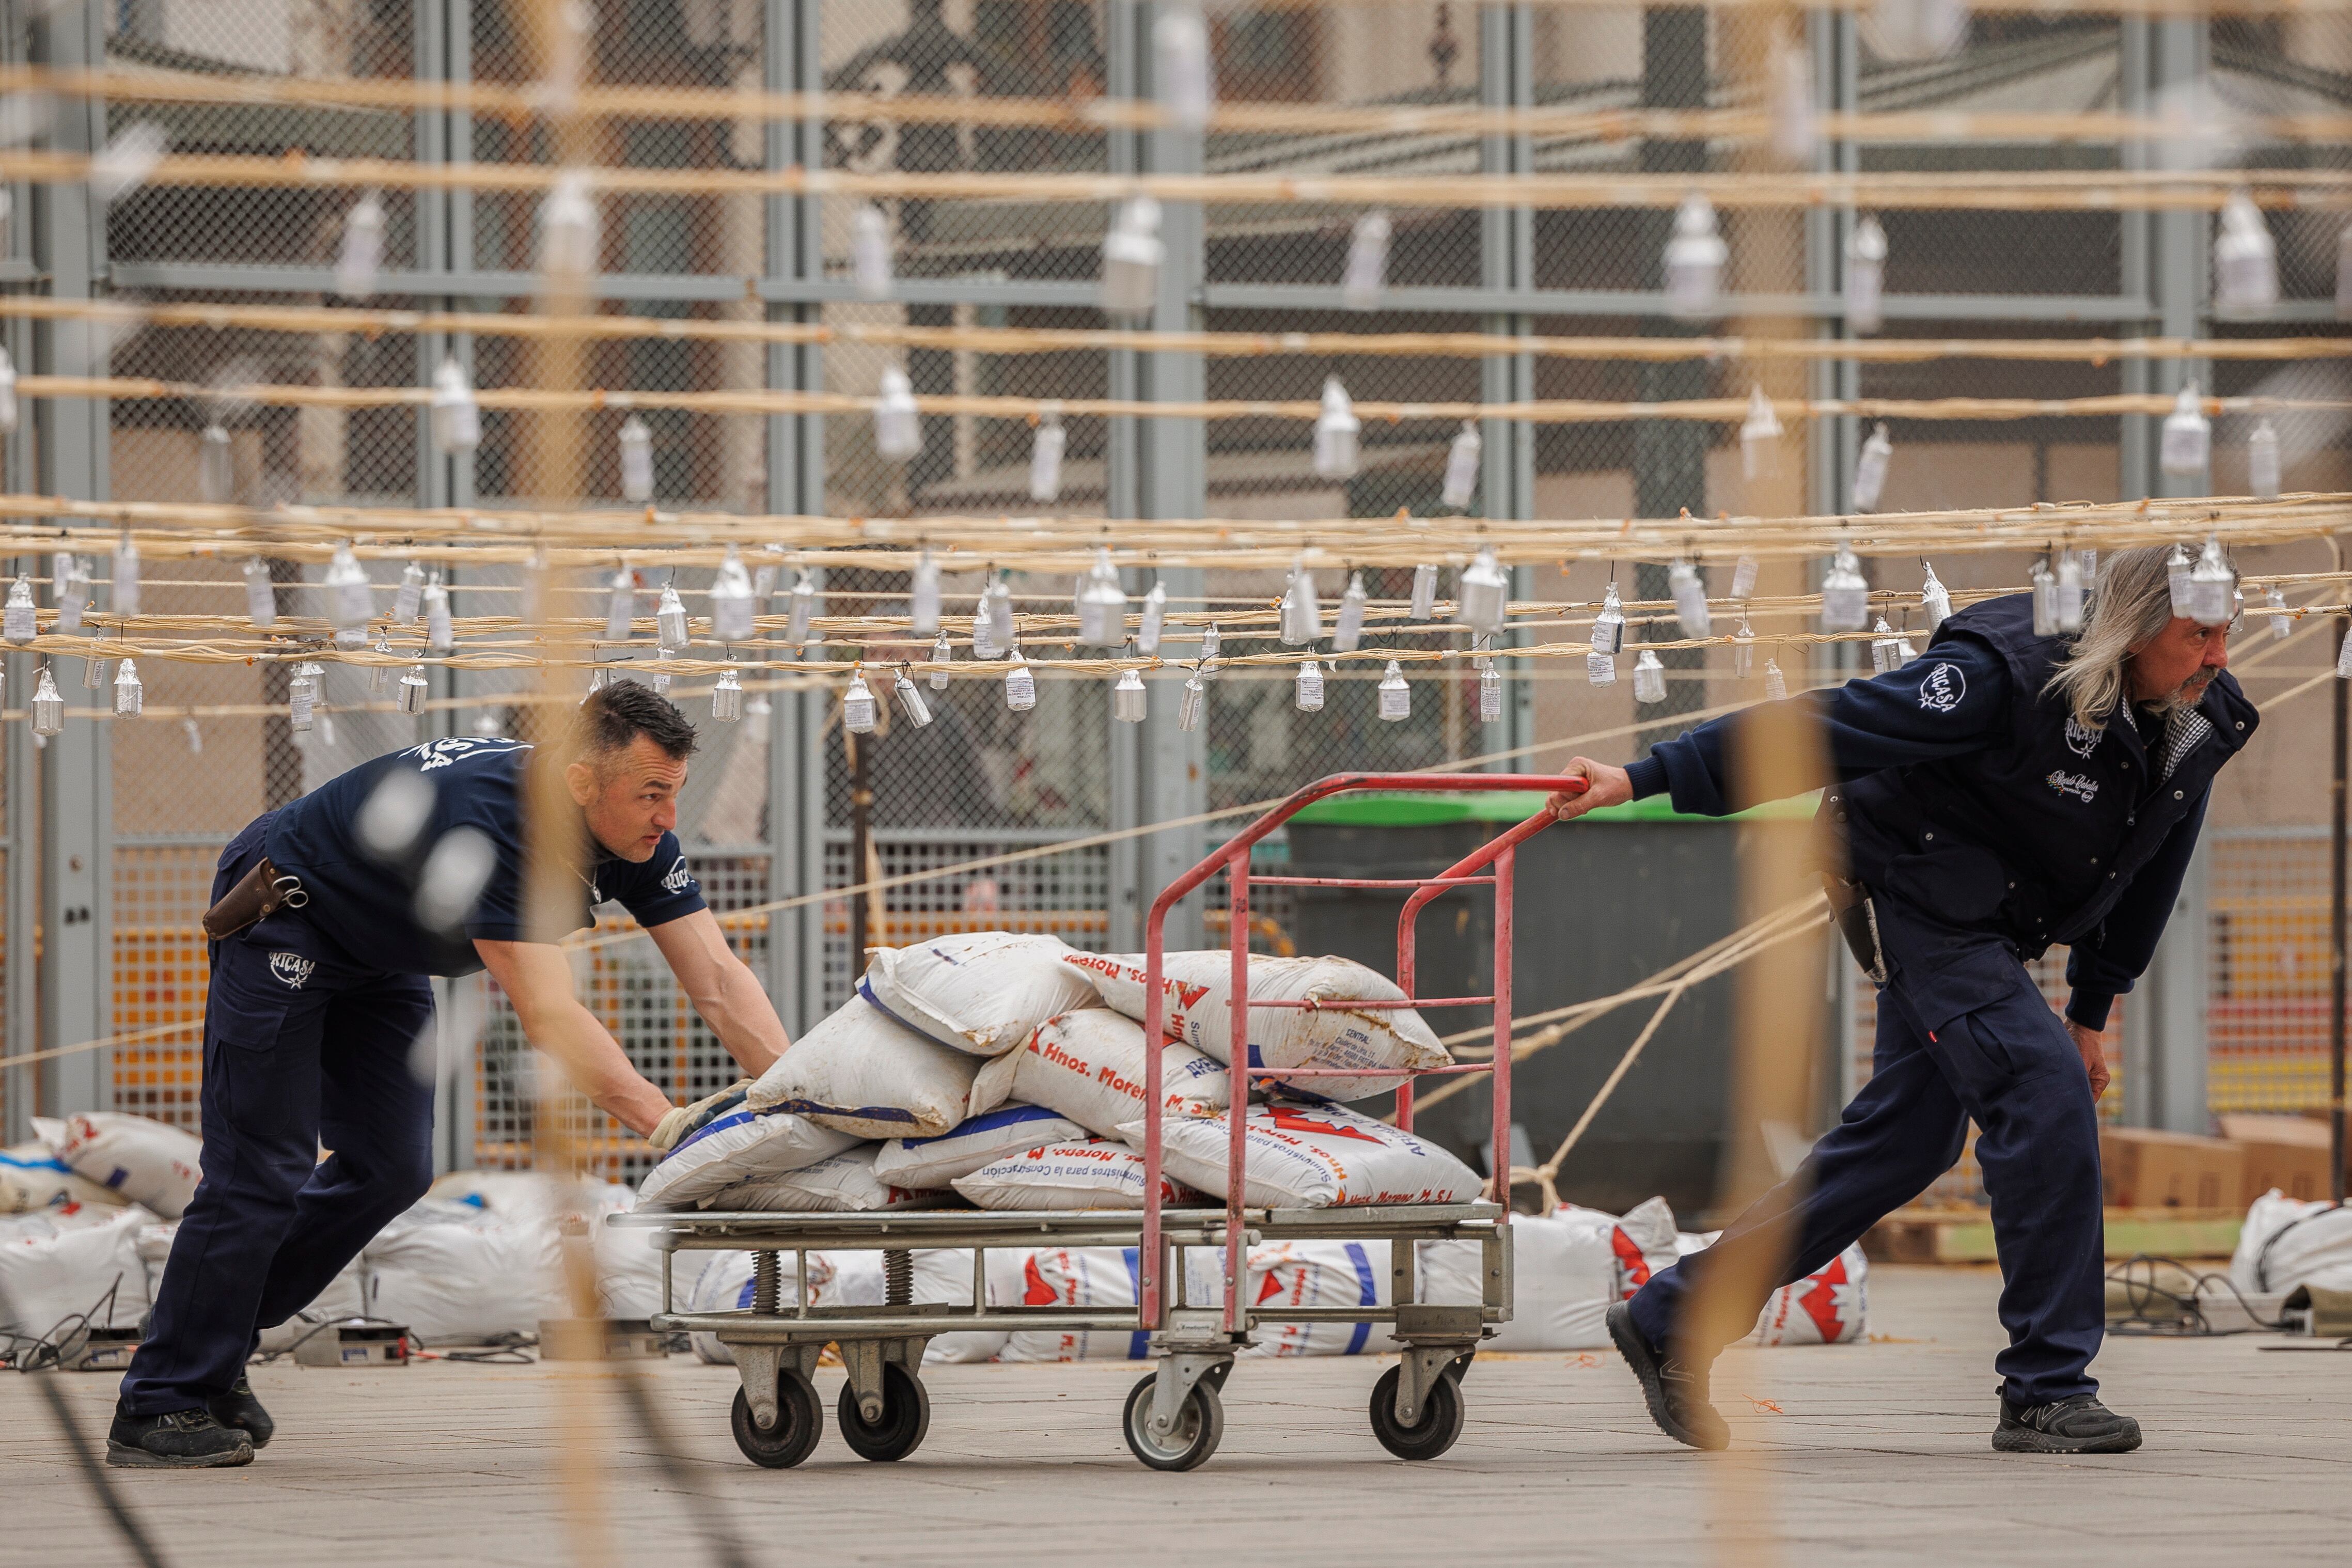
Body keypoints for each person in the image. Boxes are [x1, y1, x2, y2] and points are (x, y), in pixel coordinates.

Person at [1557, 544, 2253, 1456]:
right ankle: (2046, 1388)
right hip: (1908, 885)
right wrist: (1643, 778)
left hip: (1995, 916)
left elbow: (2153, 855)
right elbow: (1823, 727)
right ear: (2130, 628)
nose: (2217, 657)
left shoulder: (2199, 716)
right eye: (2196, 635)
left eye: (2223, 632)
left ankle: (1674, 1316)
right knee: (2036, 1091)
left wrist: (2091, 1010)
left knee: (1905, 1143)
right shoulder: (2002, 672)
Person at [109, 683, 786, 1468]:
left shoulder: (635, 836)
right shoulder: (499, 825)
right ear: (579, 783)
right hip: (288, 920)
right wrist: (664, 1124)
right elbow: (548, 1013)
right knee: (261, 1169)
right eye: (651, 794)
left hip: (379, 951)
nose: (669, 816)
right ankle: (160, 1399)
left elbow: (718, 979)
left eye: (674, 793)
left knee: (392, 1168)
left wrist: (800, 1095)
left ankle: (208, 1344)